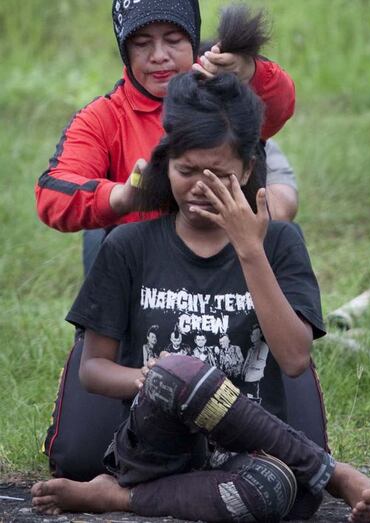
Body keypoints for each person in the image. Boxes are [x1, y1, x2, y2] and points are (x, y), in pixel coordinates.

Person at [32, 72, 370, 522]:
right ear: (165, 163)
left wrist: (249, 249)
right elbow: (94, 369)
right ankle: (329, 472)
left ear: (247, 169)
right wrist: (160, 382)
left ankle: (118, 498)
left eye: (219, 175)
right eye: (186, 171)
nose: (200, 187)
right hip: (154, 451)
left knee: (278, 491)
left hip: (245, 454)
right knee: (178, 373)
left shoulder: (278, 244)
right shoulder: (128, 246)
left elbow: (295, 357)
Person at [38, 0, 323, 482]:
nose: (159, 57)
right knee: (81, 460)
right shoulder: (105, 118)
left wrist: (248, 67)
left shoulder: (225, 90)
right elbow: (52, 193)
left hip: (234, 274)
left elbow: (278, 101)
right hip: (142, 276)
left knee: (295, 464)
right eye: (142, 44)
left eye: (173, 40)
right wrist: (123, 197)